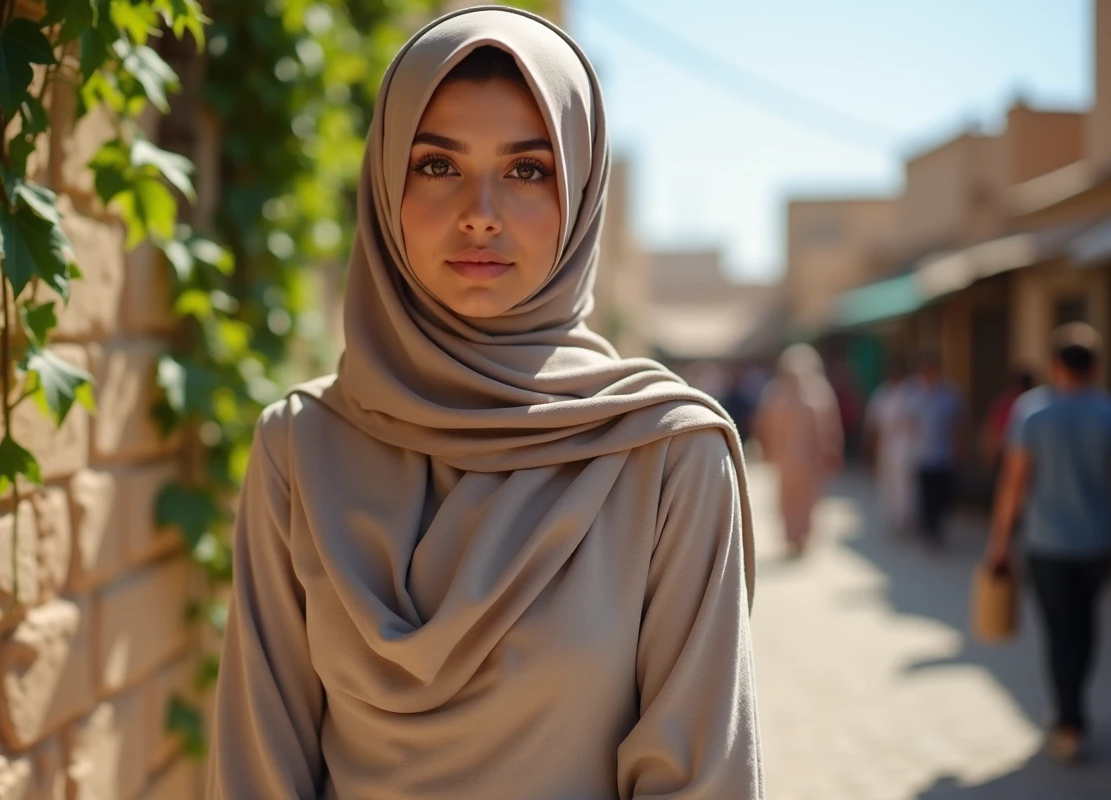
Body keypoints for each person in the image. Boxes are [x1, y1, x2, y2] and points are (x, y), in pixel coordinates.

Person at [207, 8, 763, 799]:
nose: (480, 211)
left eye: (528, 170)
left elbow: (701, 778)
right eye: (437, 166)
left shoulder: (665, 454)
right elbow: (259, 764)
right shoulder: (300, 448)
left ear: (580, 199)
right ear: (384, 186)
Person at [986, 323, 1111, 765]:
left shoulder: (1032, 412)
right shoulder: (1106, 413)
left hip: (1047, 545)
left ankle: (1069, 721)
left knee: (1059, 632)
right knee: (1086, 628)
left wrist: (1000, 541)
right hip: (1098, 544)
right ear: (1095, 367)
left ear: (1055, 365)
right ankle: (1074, 710)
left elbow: (1013, 484)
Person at [754, 344, 843, 557]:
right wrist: (766, 451)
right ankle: (792, 537)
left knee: (808, 500)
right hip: (785, 460)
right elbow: (764, 426)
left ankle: (802, 537)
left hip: (810, 460)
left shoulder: (819, 390)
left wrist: (831, 452)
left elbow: (830, 427)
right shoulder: (776, 392)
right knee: (788, 500)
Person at [908, 353, 965, 547]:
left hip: (943, 455)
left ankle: (938, 527)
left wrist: (959, 450)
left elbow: (958, 424)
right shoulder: (913, 394)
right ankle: (929, 530)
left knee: (942, 496)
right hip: (922, 456)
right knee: (926, 497)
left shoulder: (949, 394)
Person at [864, 356, 917, 536]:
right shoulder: (882, 393)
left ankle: (907, 521)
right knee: (888, 486)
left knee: (907, 487)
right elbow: (873, 425)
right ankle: (894, 520)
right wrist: (871, 453)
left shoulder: (912, 393)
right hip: (886, 449)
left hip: (908, 449)